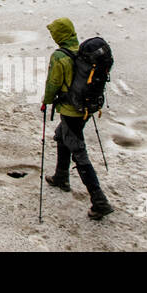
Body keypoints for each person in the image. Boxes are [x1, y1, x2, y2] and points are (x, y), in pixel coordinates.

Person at [42, 17, 114, 220]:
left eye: (54, 33)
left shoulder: (60, 56)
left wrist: (46, 101)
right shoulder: (82, 51)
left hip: (70, 109)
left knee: (78, 152)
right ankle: (61, 176)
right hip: (86, 109)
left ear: (59, 35)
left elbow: (53, 83)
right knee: (61, 135)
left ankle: (99, 201)